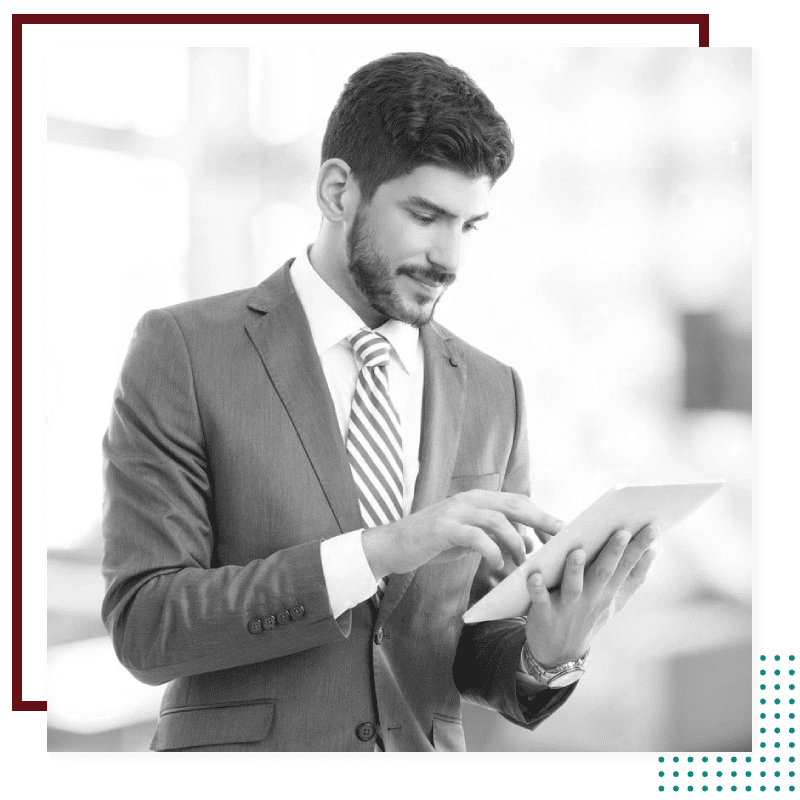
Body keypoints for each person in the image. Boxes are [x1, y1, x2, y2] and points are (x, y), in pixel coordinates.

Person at [101, 51, 658, 753]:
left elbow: (468, 646)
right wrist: (378, 552)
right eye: (425, 215)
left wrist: (549, 652)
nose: (449, 258)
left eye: (468, 224)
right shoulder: (183, 350)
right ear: (338, 192)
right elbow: (147, 627)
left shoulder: (493, 391)